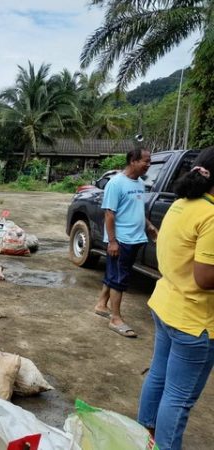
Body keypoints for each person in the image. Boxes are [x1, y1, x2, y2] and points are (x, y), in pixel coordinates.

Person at [137, 148, 214, 450]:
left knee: (158, 375)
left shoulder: (182, 205)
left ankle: (142, 436)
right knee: (178, 398)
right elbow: (205, 277)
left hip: (166, 305)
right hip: (194, 322)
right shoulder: (210, 215)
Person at [93, 147, 158, 338]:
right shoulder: (116, 183)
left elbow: (136, 210)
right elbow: (109, 214)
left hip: (136, 238)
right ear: (133, 161)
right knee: (119, 279)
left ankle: (101, 305)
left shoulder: (139, 183)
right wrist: (112, 241)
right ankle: (115, 318)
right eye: (145, 161)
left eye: (149, 161)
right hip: (121, 240)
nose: (148, 164)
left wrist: (149, 226)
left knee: (115, 274)